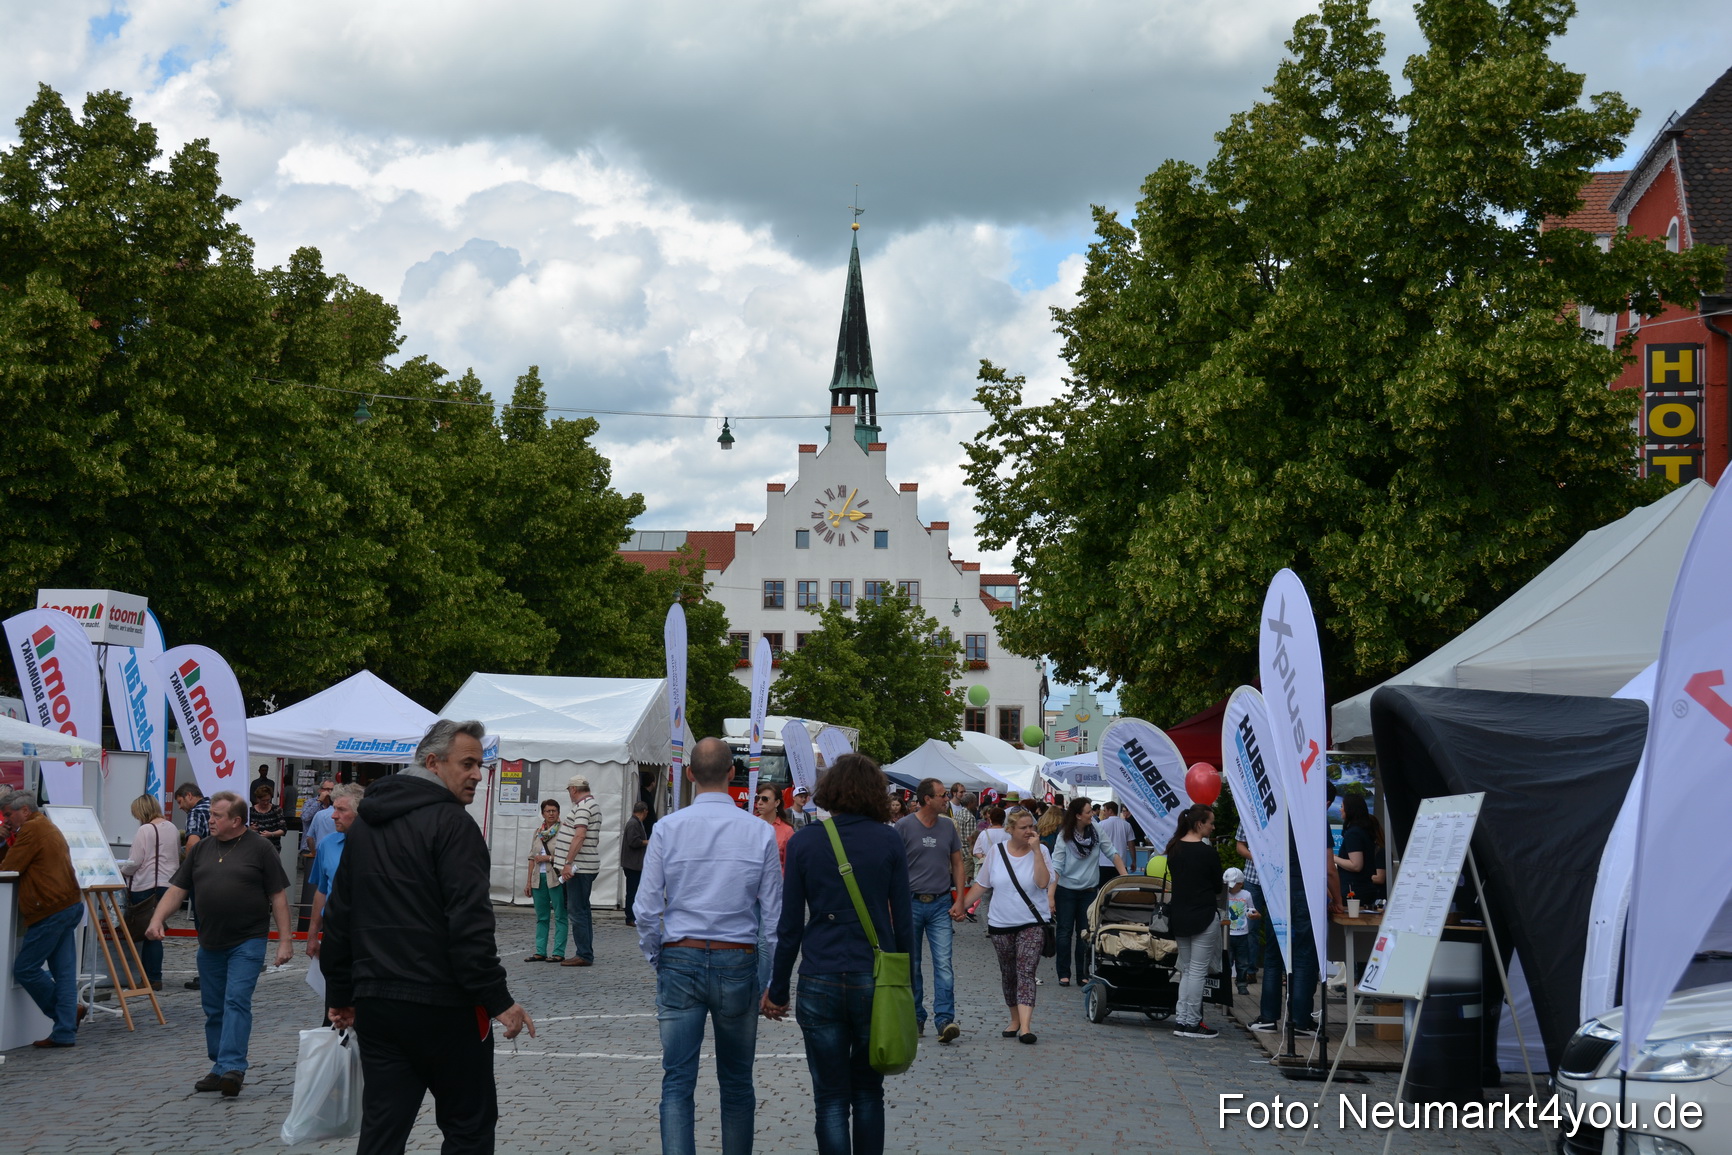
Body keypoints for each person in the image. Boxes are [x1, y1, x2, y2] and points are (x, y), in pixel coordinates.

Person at [323, 719, 535, 1155]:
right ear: (433, 763)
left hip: (380, 1005)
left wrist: (342, 994)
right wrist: (499, 1001)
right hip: (445, 1008)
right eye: (469, 763)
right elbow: (471, 928)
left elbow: (339, 917)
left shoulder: (364, 826)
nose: (477, 773)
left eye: (480, 764)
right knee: (469, 1127)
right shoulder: (454, 825)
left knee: (382, 1129)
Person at [634, 737, 781, 1155]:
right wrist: (766, 978)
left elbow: (645, 908)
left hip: (682, 952)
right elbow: (773, 918)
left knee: (677, 1081)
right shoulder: (759, 832)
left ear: (691, 774)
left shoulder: (666, 828)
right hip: (738, 957)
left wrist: (657, 955)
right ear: (733, 774)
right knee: (737, 1082)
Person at [763, 753, 911, 1155]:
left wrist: (777, 988)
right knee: (867, 1092)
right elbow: (905, 923)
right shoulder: (889, 839)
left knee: (828, 1097)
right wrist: (910, 990)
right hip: (873, 978)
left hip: (821, 974)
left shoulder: (806, 841)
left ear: (829, 791)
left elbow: (790, 924)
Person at [146, 791, 293, 1094]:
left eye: (217, 816)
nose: (209, 820)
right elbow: (177, 889)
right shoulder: (201, 850)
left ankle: (233, 1067)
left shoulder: (261, 849)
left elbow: (278, 896)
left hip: (248, 940)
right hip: (210, 941)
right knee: (213, 1007)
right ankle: (219, 1065)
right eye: (211, 814)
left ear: (237, 820)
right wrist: (157, 918)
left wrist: (284, 941)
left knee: (236, 1000)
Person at [961, 807, 1052, 1043]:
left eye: (1032, 826)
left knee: (1026, 972)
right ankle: (1014, 1019)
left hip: (1032, 923)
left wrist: (1036, 852)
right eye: (1024, 827)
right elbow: (982, 885)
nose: (1029, 831)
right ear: (1010, 830)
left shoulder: (1040, 851)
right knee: (1009, 974)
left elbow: (1043, 883)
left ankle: (1026, 1027)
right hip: (1001, 923)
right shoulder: (996, 852)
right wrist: (961, 906)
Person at [2, 794, 84, 1048]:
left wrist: (2, 839)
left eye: (8, 814)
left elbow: (8, 867)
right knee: (65, 973)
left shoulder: (31, 830)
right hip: (68, 904)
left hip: (49, 908)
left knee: (26, 968)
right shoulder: (46, 825)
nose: (7, 819)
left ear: (24, 811)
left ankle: (65, 1017)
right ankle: (64, 1031)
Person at [894, 778, 965, 1044]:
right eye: (942, 795)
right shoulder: (902, 827)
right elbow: (893, 867)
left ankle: (945, 1020)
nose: (946, 799)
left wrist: (960, 899)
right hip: (909, 903)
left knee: (944, 964)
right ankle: (915, 1017)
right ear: (927, 799)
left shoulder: (948, 826)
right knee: (912, 965)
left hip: (940, 903)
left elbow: (957, 863)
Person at [1050, 797, 1127, 988]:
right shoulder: (1064, 836)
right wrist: (1050, 895)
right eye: (1087, 812)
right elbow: (1057, 867)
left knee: (1085, 934)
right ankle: (1063, 973)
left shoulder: (1096, 830)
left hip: (1089, 891)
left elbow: (1112, 853)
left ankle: (1083, 973)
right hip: (1066, 891)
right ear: (1077, 815)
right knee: (1064, 932)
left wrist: (1125, 878)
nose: (1092, 814)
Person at [1166, 804, 1223, 1039]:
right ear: (1200, 824)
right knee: (1198, 972)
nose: (1213, 826)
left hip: (1179, 914)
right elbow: (1218, 886)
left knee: (1187, 970)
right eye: (1210, 822)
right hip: (1203, 915)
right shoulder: (1208, 853)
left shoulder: (1174, 848)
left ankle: (1182, 1019)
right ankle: (1191, 1022)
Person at [121, 793, 178, 990]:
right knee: (156, 931)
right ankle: (151, 976)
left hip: (147, 885)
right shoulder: (171, 828)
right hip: (168, 885)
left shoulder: (145, 830)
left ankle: (151, 978)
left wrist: (121, 872)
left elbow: (134, 862)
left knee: (150, 935)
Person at [305, 784, 364, 959]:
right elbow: (322, 891)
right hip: (334, 930)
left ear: (359, 813)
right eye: (333, 808)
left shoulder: (380, 845)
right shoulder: (326, 844)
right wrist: (313, 935)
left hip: (367, 931)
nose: (333, 815)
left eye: (341, 810)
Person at [517, 798, 569, 961]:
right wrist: (528, 882)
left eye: (554, 810)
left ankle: (558, 953)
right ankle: (540, 951)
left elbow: (567, 855)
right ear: (543, 813)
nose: (551, 813)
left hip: (555, 877)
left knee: (560, 915)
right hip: (538, 879)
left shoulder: (564, 831)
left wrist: (549, 857)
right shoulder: (537, 832)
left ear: (558, 813)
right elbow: (532, 857)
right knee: (542, 916)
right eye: (548, 811)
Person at [558, 775, 602, 968]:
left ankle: (583, 953)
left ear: (574, 789)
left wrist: (568, 863)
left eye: (569, 790)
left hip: (580, 868)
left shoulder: (584, 807)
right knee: (583, 910)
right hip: (585, 866)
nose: (569, 794)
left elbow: (580, 834)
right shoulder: (591, 805)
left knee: (577, 911)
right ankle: (585, 952)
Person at [174, 781, 212, 990]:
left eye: (180, 801)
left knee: (203, 926)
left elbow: (192, 843)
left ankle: (206, 974)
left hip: (202, 875)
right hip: (220, 875)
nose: (180, 807)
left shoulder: (196, 812)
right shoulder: (215, 807)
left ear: (189, 795)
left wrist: (188, 871)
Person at [1333, 794, 1383, 904]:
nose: (1340, 810)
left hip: (1354, 891)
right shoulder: (1364, 831)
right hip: (1364, 888)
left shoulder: (1353, 833)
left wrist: (1333, 858)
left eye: (1342, 807)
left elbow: (1356, 865)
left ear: (1349, 809)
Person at [1224, 866, 1258, 995]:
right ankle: (1226, 985)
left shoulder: (1246, 894)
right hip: (1228, 934)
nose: (1231, 888)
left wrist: (1253, 914)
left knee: (1243, 962)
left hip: (1242, 934)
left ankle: (1242, 983)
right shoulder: (1224, 894)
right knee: (1227, 961)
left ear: (1241, 883)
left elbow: (1251, 909)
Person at [623, 802, 650, 928]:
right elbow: (634, 842)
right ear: (644, 811)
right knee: (632, 891)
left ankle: (633, 915)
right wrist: (648, 842)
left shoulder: (635, 822)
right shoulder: (633, 823)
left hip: (634, 863)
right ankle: (630, 917)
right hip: (632, 864)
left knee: (634, 891)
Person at [1096, 801, 1134, 882]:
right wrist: (1134, 861)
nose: (1104, 813)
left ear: (1110, 811)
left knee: (1104, 890)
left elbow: (1096, 843)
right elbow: (1131, 845)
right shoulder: (1126, 825)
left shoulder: (1101, 824)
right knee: (1119, 890)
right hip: (1121, 863)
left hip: (1104, 862)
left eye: (1105, 811)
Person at [247, 781, 286, 847]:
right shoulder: (250, 811)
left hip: (273, 846)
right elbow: (242, 829)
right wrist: (250, 829)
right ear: (257, 799)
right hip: (254, 847)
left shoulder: (276, 810)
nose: (265, 803)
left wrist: (271, 834)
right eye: (263, 800)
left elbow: (283, 830)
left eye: (268, 800)